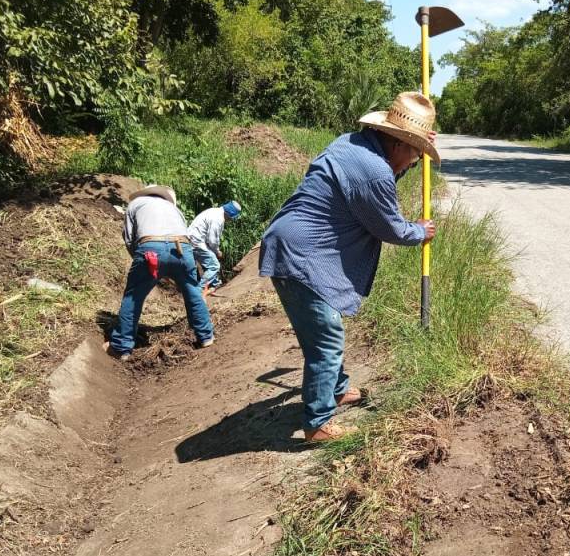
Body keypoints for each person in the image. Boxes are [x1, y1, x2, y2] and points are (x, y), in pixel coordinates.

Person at [259, 92, 439, 441]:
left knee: (322, 329)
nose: (414, 162)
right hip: (303, 255)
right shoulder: (374, 170)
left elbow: (377, 183)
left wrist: (412, 157)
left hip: (291, 245)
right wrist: (420, 231)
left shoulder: (353, 145)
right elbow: (389, 227)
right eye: (415, 154)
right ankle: (318, 423)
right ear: (399, 144)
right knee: (326, 337)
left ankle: (337, 389)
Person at [106, 184, 215, 360]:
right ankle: (206, 337)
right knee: (193, 292)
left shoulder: (136, 204)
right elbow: (183, 232)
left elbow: (129, 239)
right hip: (182, 248)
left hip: (150, 248)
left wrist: (140, 261)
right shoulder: (174, 209)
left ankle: (121, 347)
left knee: (133, 297)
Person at [188, 200, 241, 298]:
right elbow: (212, 240)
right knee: (214, 265)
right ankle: (200, 291)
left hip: (194, 239)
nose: (230, 220)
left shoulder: (214, 211)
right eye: (231, 218)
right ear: (229, 215)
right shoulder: (218, 219)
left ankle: (213, 286)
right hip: (196, 242)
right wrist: (217, 251)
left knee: (210, 261)